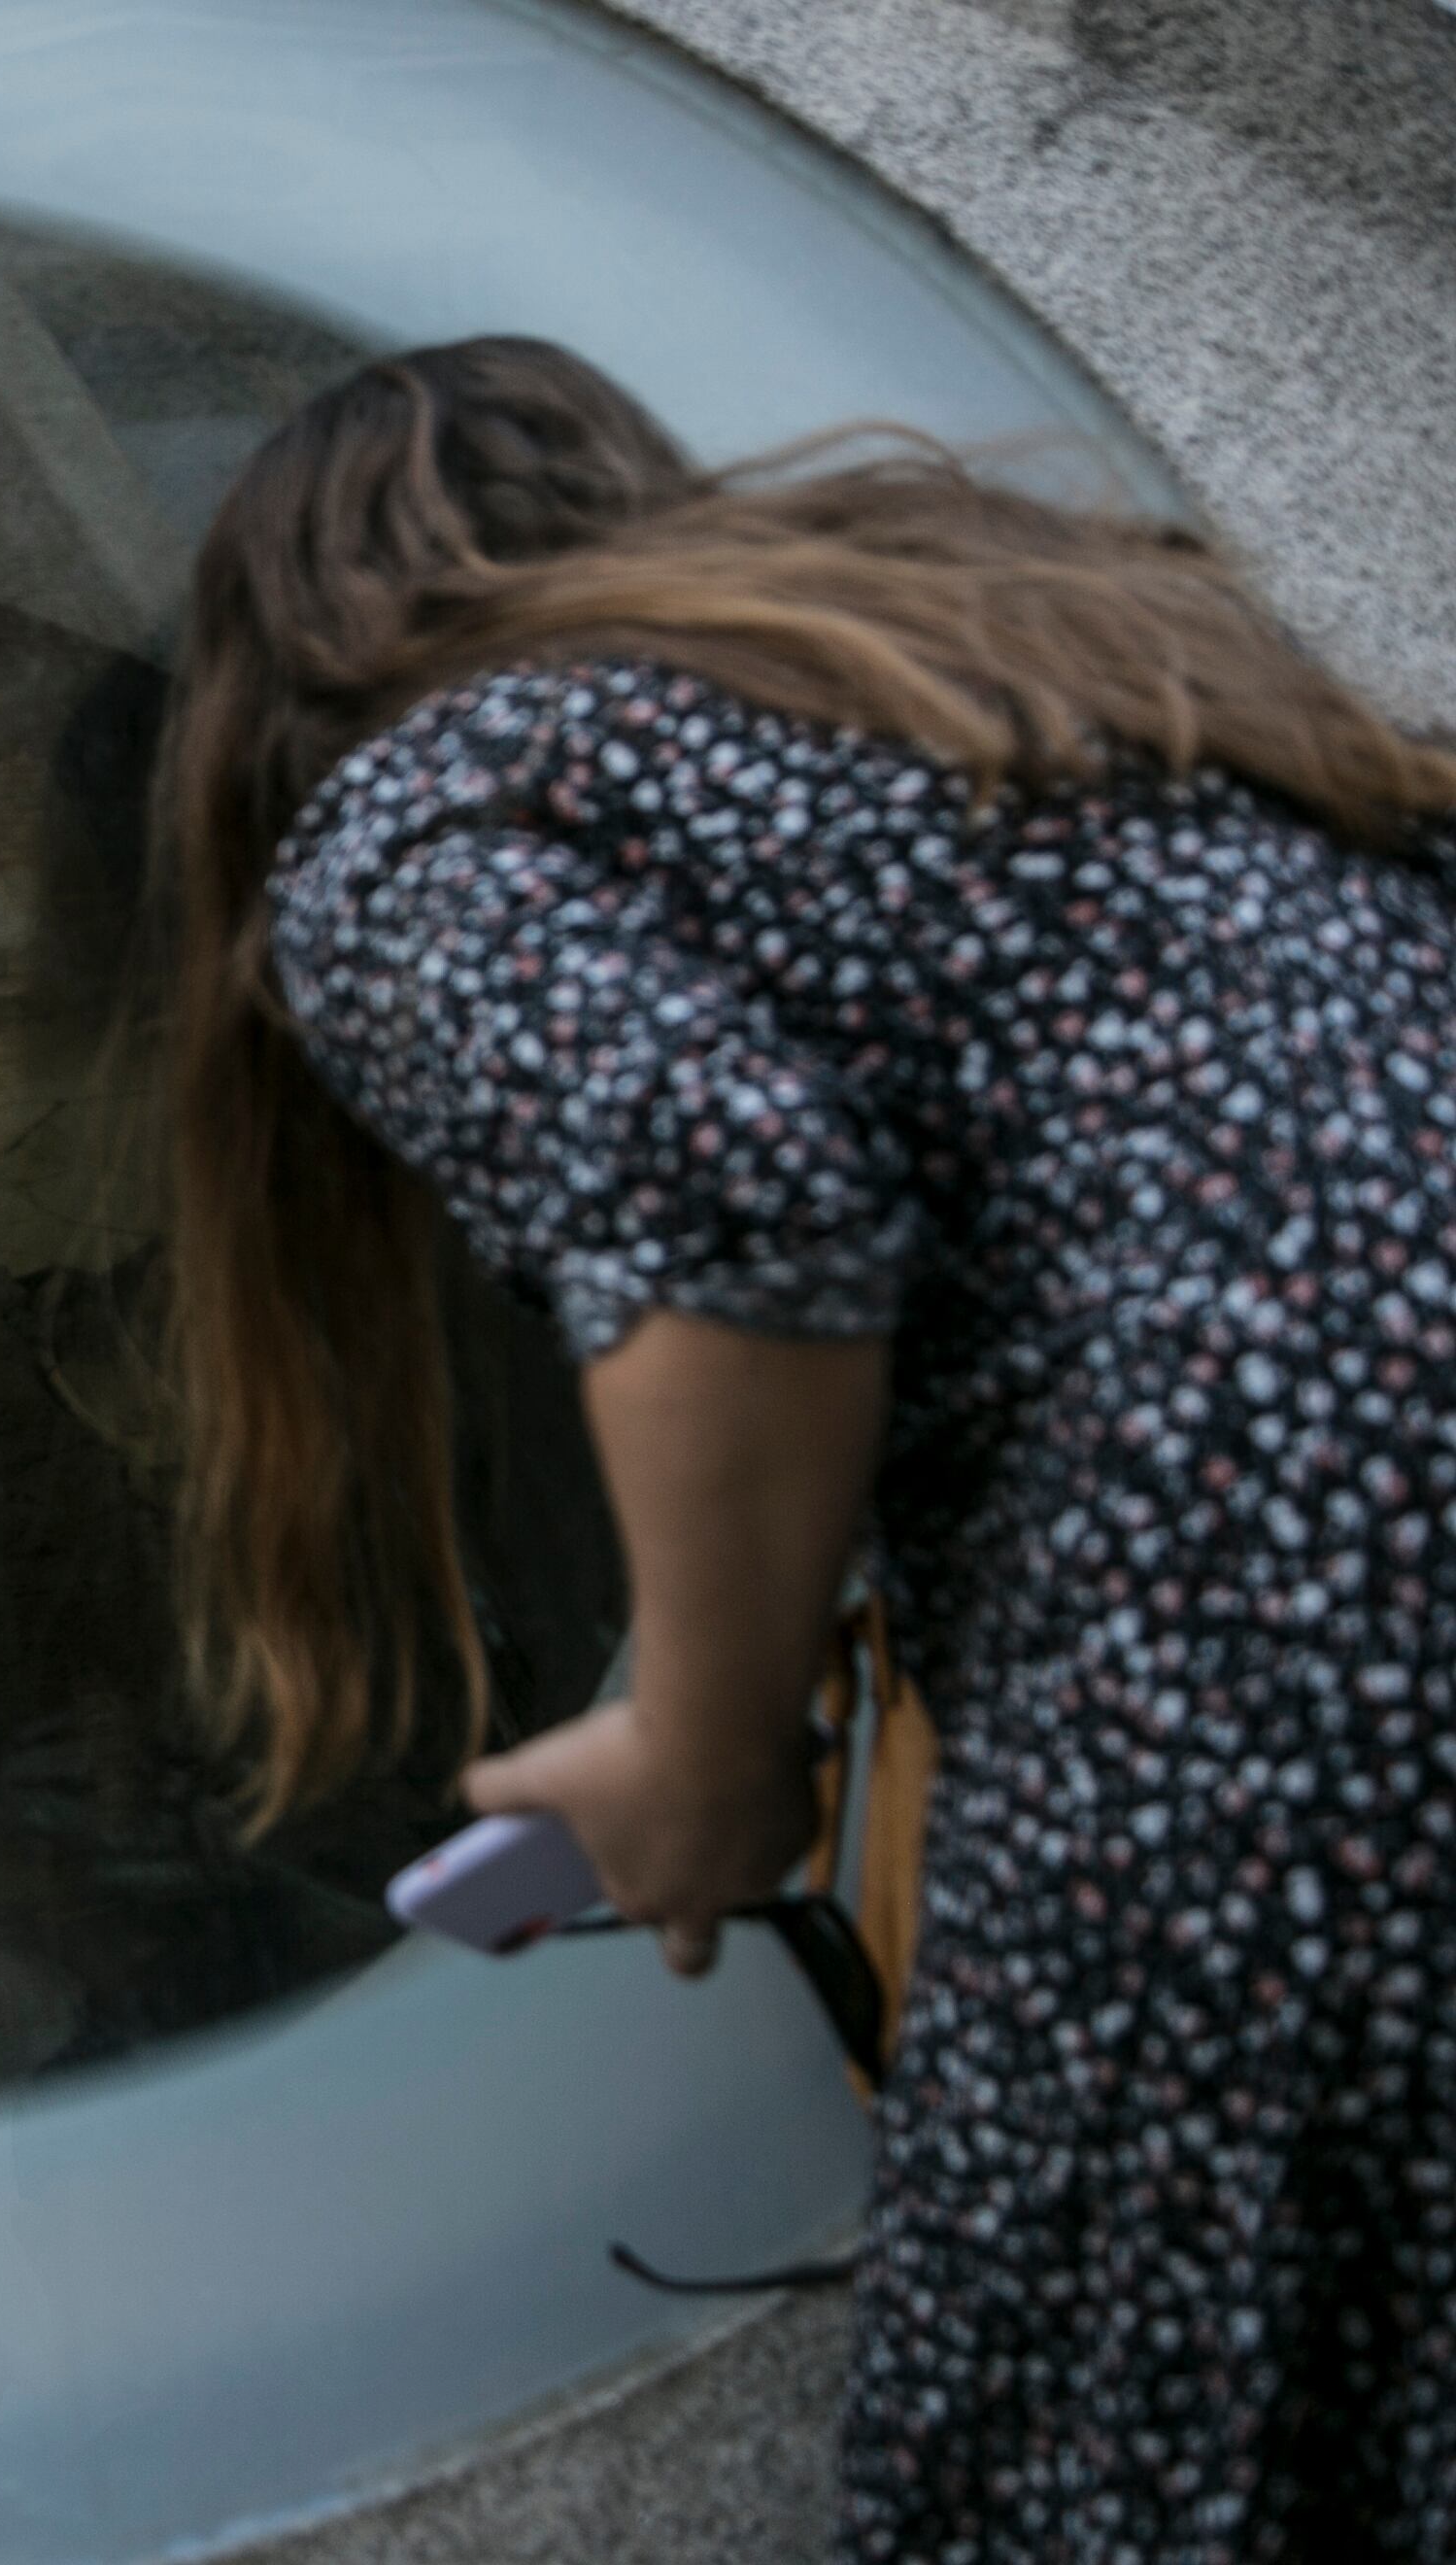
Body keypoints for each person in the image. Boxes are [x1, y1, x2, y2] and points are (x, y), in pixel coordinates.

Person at [138, 336, 1456, 2560]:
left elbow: (736, 1192)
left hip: (1267, 1650)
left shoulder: (431, 803)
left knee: (1106, 2456)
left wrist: (702, 1754)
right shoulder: (1020, 676)